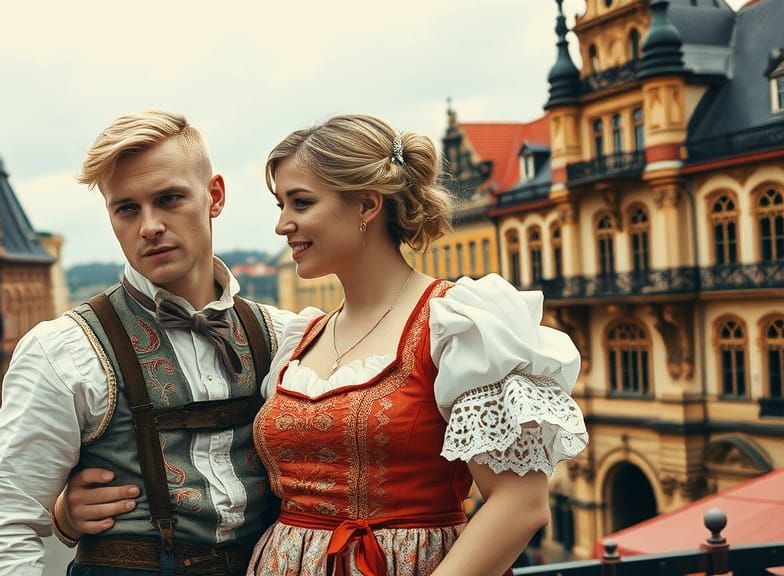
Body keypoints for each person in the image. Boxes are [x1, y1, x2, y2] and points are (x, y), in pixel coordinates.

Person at [62, 114, 588, 576]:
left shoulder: (458, 324)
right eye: (281, 204)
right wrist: (66, 511)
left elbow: (519, 505)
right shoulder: (299, 336)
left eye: (301, 202)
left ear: (367, 204)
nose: (282, 224)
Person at [0, 110, 295, 576]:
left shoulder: (281, 335)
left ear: (214, 196)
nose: (149, 226)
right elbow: (0, 531)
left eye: (169, 199)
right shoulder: (66, 351)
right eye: (127, 209)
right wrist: (62, 514)